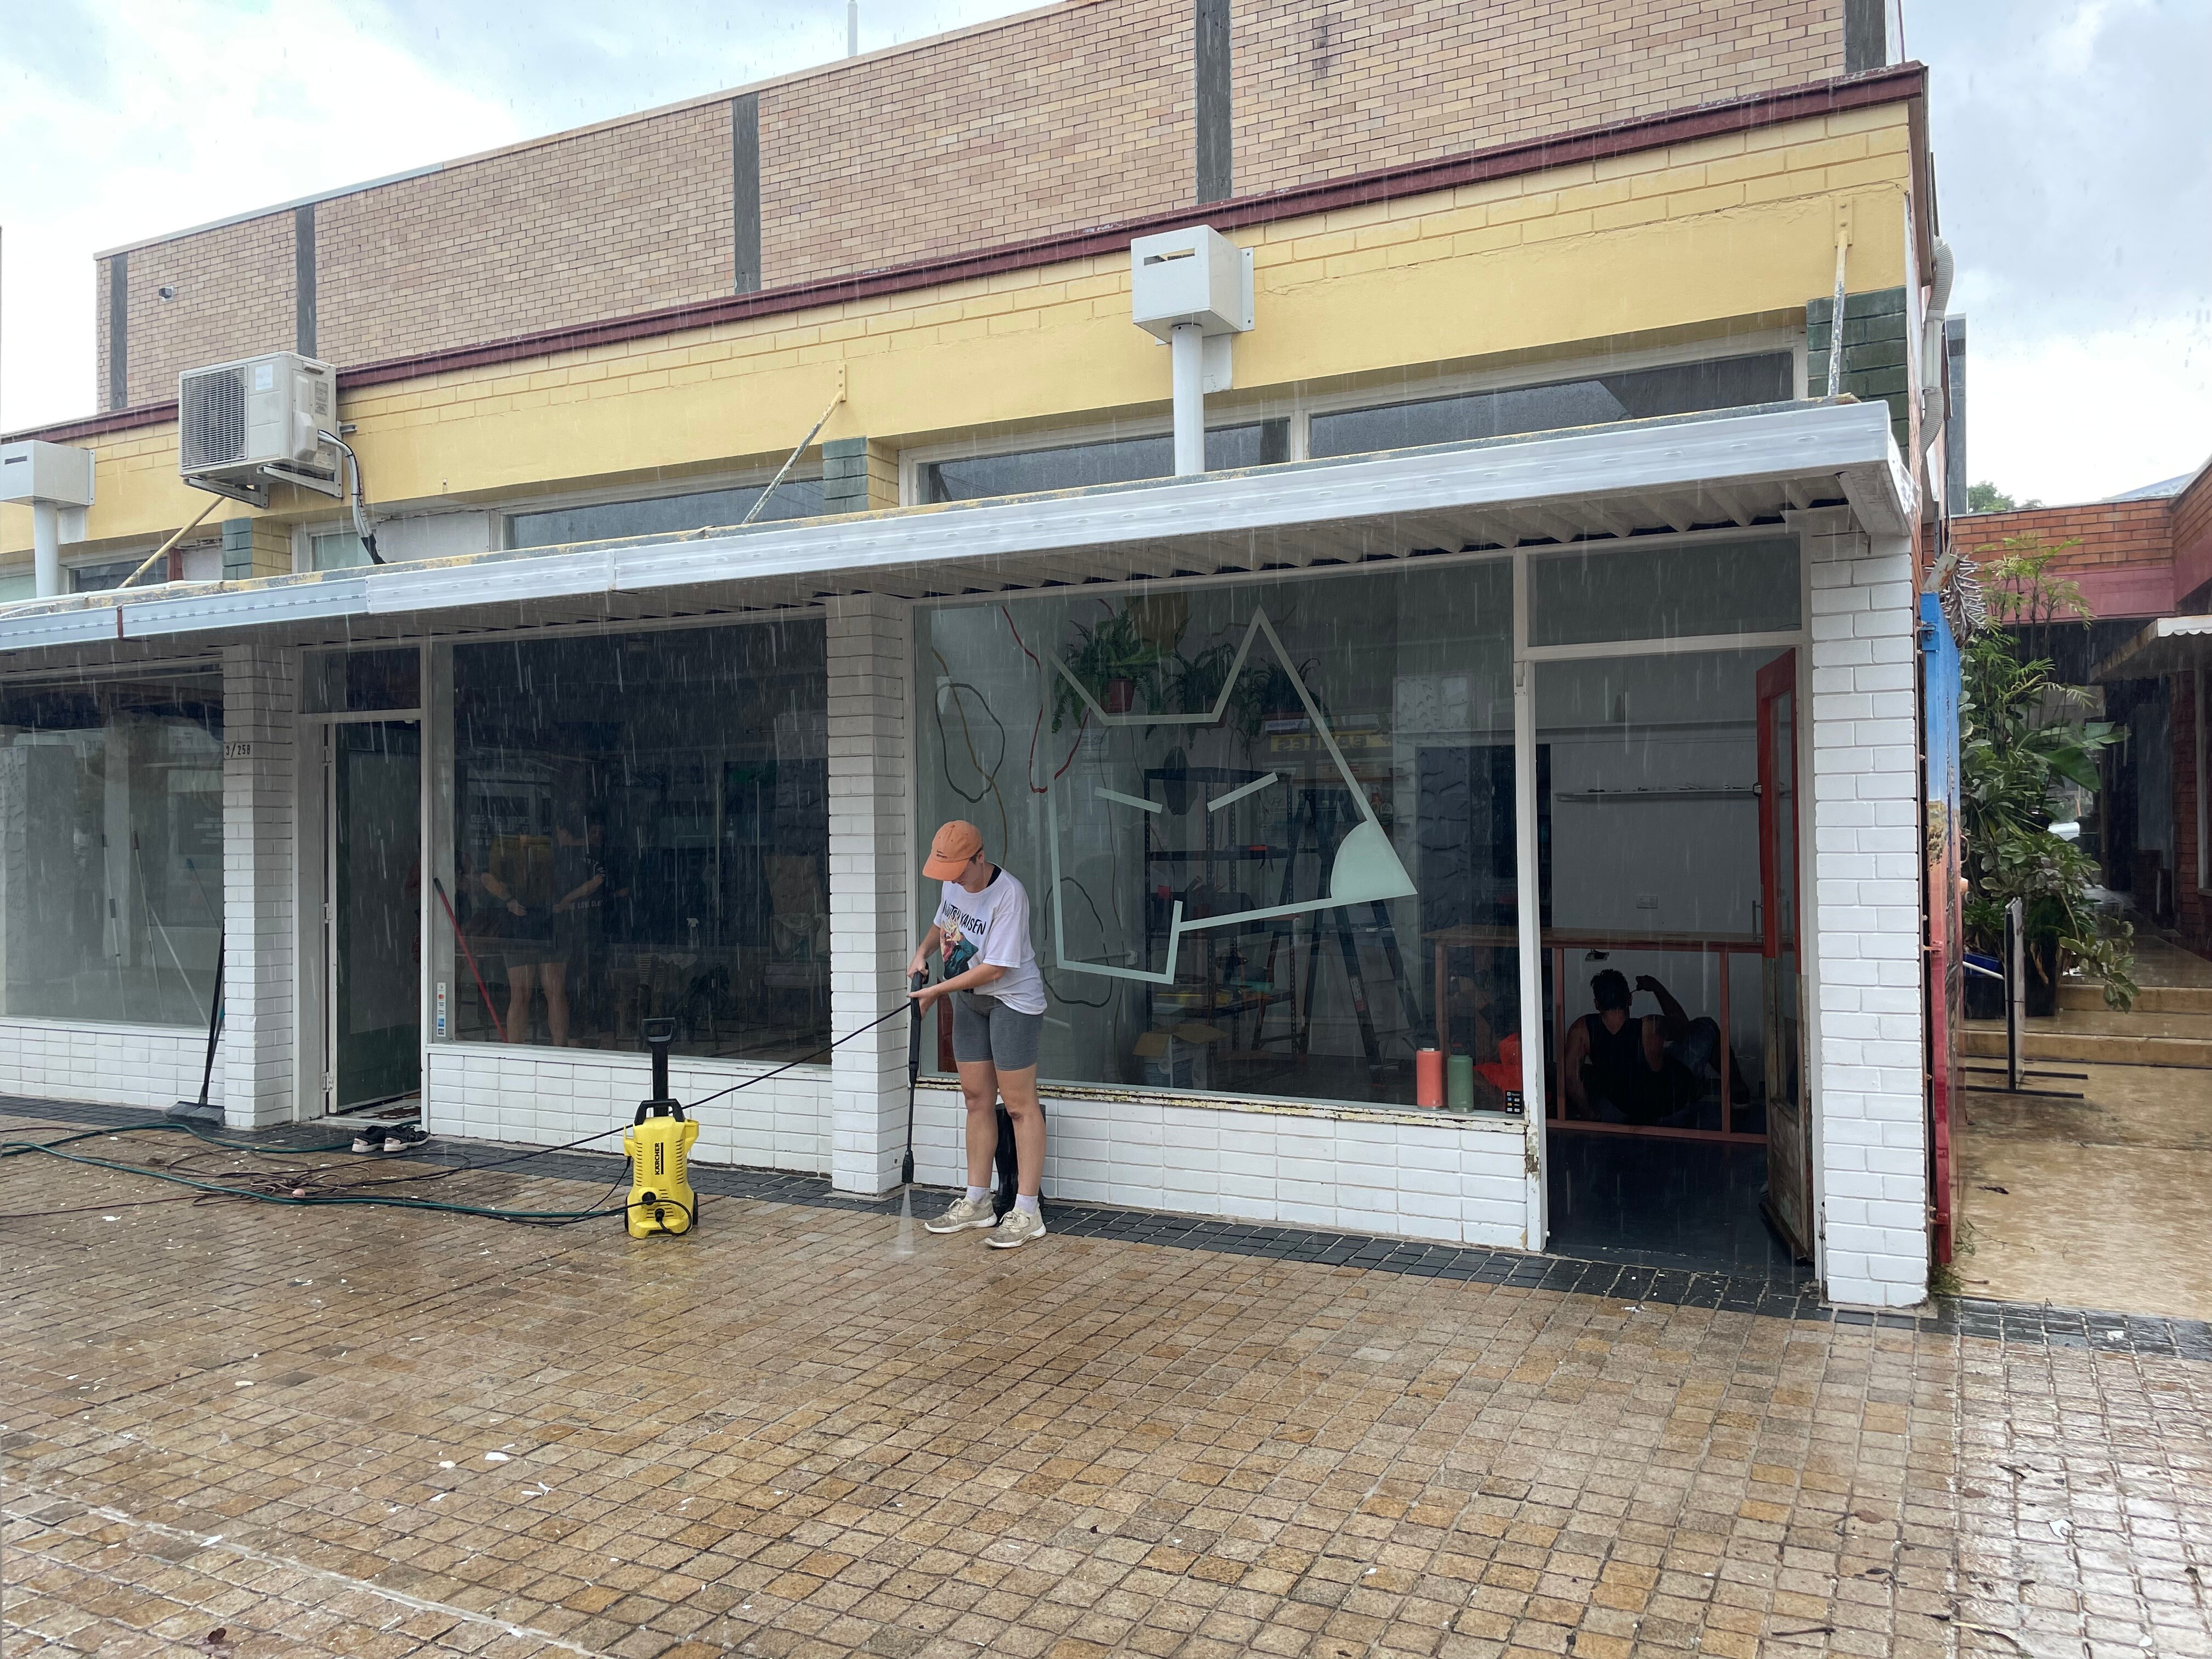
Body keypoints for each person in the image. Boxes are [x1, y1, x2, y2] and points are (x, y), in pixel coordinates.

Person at [907, 819, 1050, 1249]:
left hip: (1011, 1002)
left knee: (1020, 1105)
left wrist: (935, 990)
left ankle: (1027, 1211)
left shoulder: (1010, 895)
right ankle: (978, 1202)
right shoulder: (953, 881)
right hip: (967, 997)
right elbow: (943, 924)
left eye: (958, 871)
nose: (952, 881)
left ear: (979, 858)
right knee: (975, 1099)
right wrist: (922, 953)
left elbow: (996, 968)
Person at [1561, 968, 1720, 1126]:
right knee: (1706, 1024)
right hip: (1670, 1102)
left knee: (1663, 1055)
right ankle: (1735, 1089)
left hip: (1630, 1107)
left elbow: (1571, 1078)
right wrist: (1657, 987)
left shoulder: (1582, 1030)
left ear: (1597, 1004)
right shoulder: (1650, 1026)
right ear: (1630, 999)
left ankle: (1698, 1086)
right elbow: (1684, 1028)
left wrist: (1589, 1115)